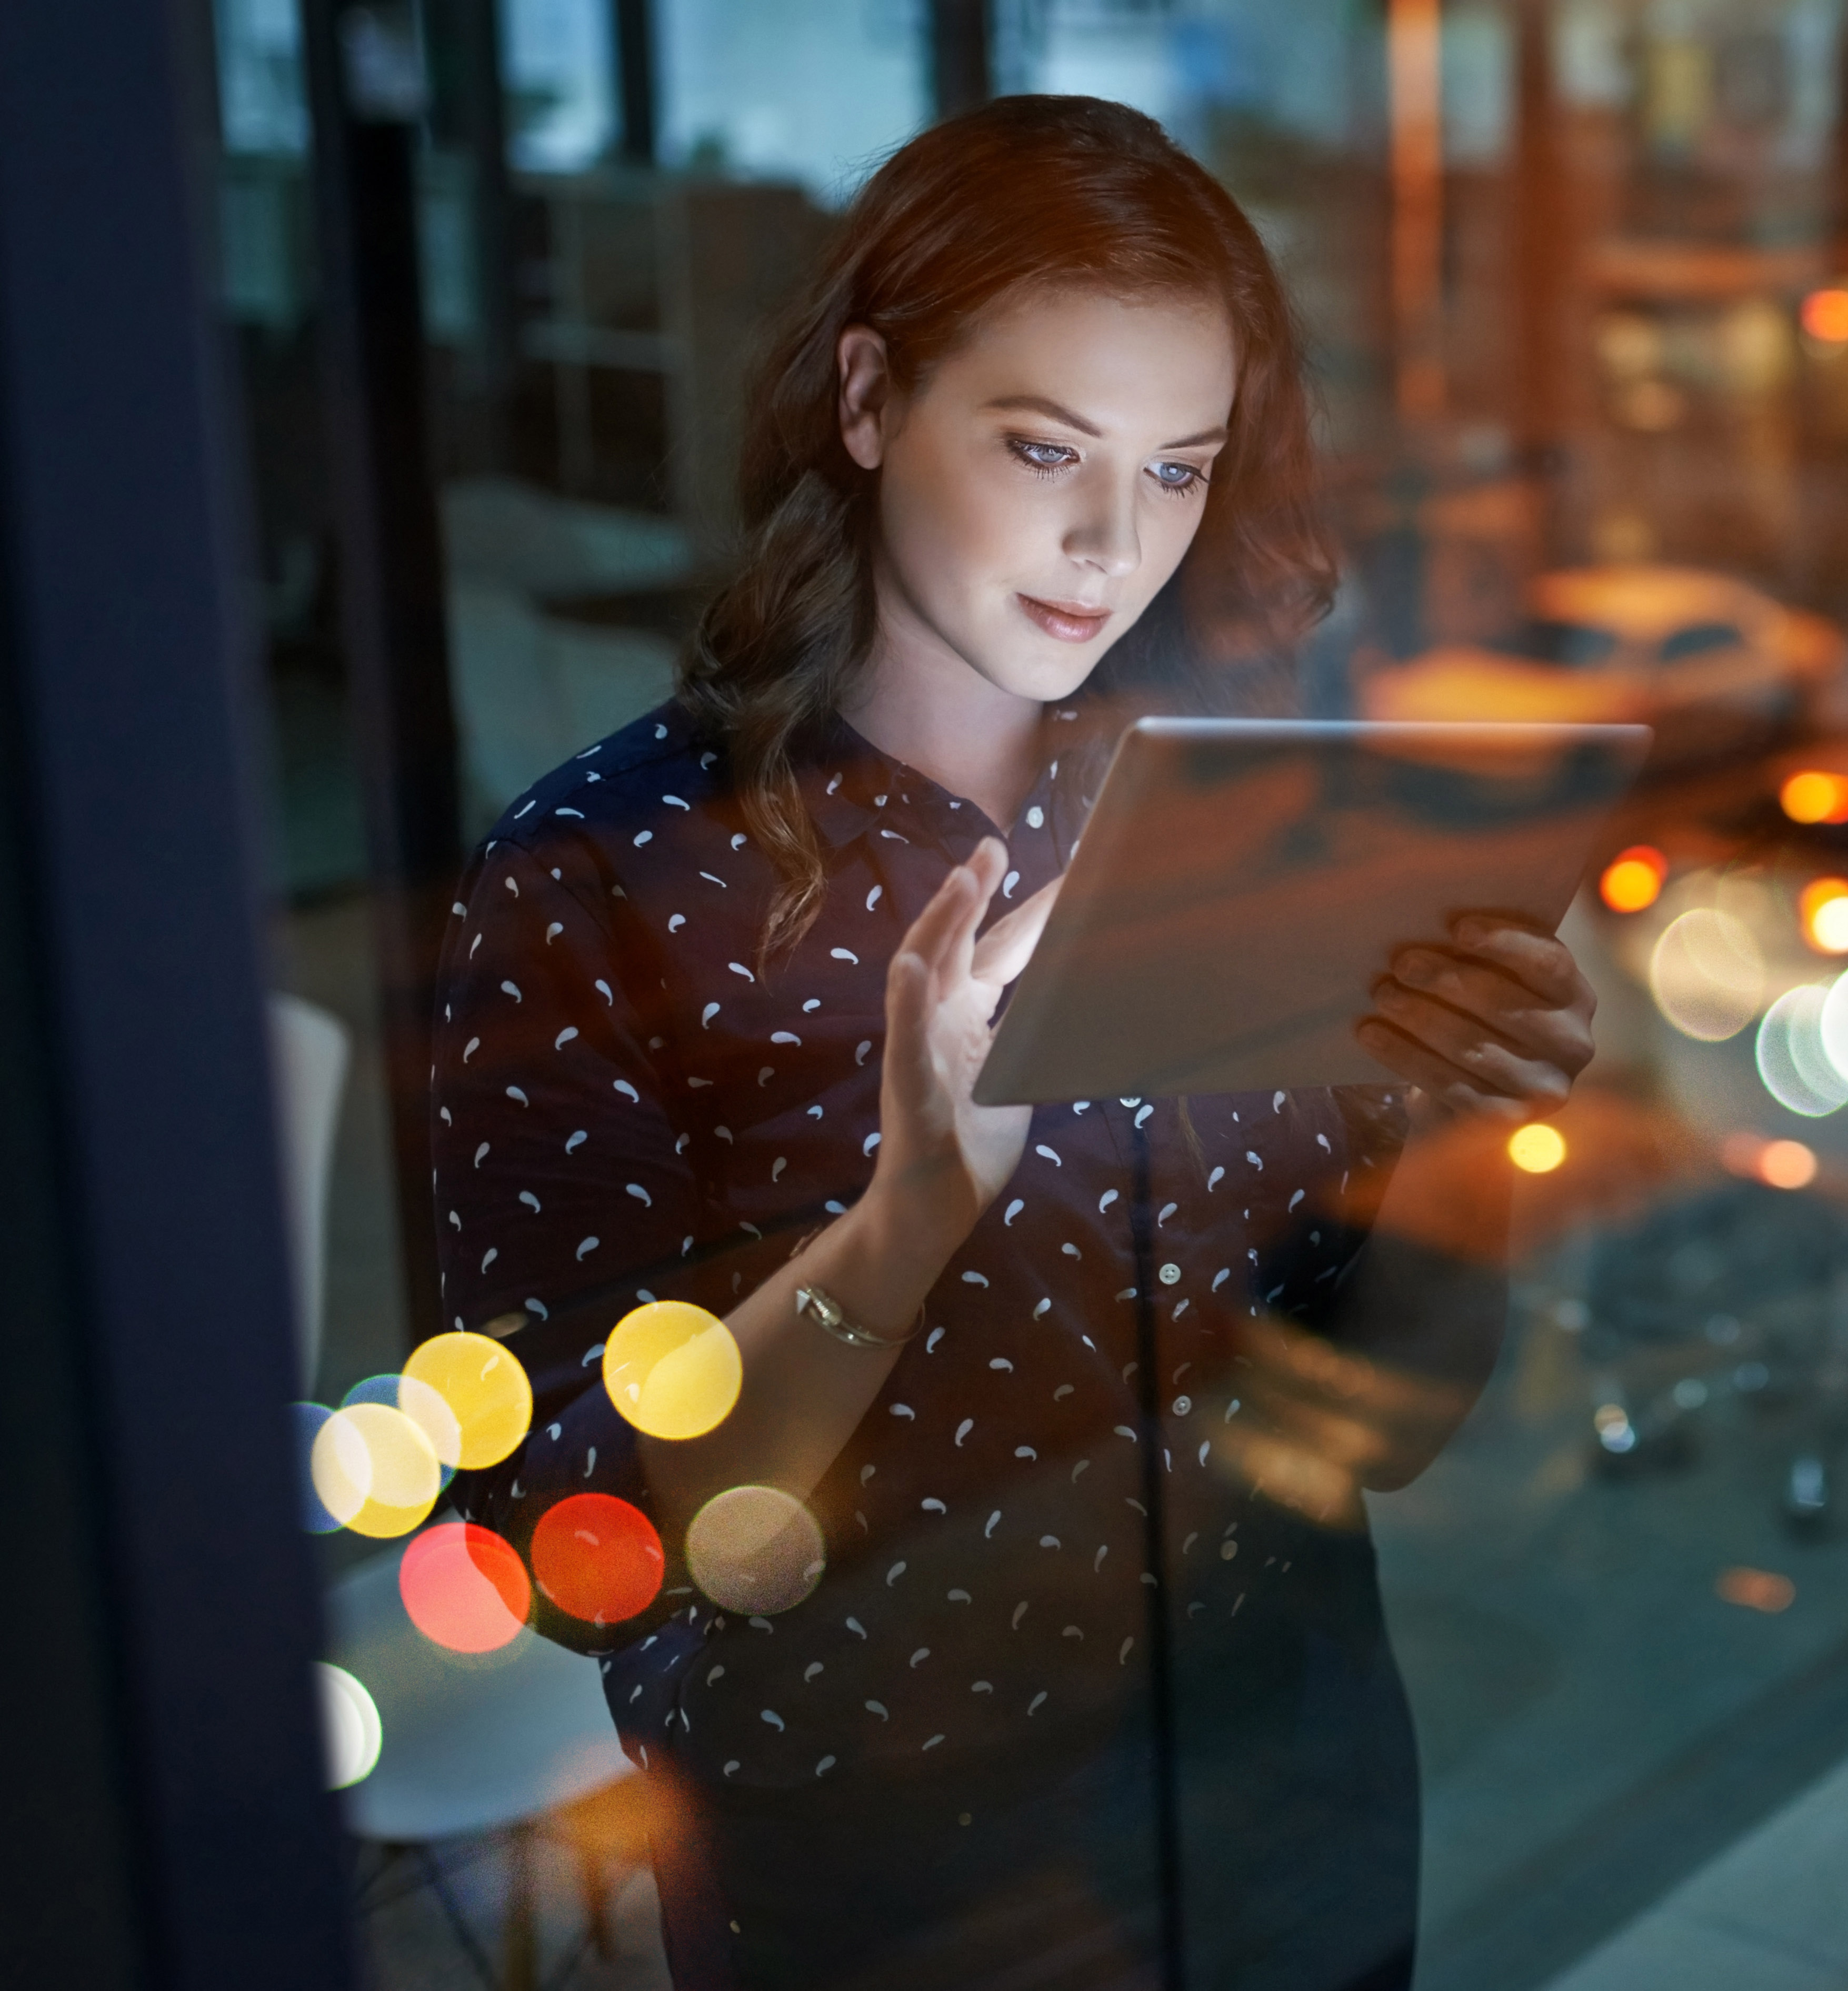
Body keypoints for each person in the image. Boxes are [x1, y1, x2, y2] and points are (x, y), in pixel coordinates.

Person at [433, 96, 1594, 1991]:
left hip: (1281, 1771)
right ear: (873, 399)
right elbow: (568, 1547)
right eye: (1044, 447)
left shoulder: (1228, 821)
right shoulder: (606, 880)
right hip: (887, 1857)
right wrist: (907, 1222)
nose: (1105, 544)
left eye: (1174, 471)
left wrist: (1471, 1126)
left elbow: (1381, 1422)